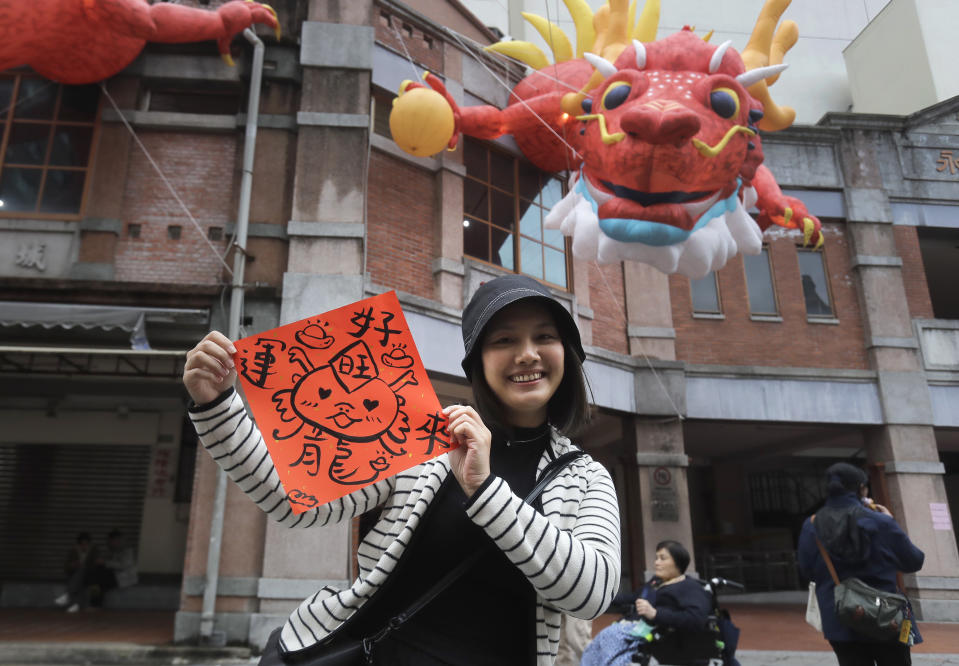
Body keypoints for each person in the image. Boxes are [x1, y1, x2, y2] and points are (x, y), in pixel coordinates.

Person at [182, 274, 621, 665]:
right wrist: (218, 406)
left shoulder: (584, 476)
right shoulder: (422, 440)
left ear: (567, 352)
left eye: (544, 337)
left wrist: (486, 492)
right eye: (504, 340)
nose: (527, 354)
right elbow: (294, 501)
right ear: (478, 363)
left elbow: (591, 593)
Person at [798, 462, 925, 666]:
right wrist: (891, 523)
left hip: (841, 618)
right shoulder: (880, 522)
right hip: (887, 616)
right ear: (861, 489)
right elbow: (913, 561)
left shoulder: (811, 525)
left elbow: (806, 571)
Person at [582, 540, 712, 666]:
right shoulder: (656, 582)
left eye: (663, 558)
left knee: (611, 642)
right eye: (656, 558)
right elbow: (633, 597)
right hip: (636, 630)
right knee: (602, 641)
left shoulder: (690, 587)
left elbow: (696, 618)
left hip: (661, 638)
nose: (656, 563)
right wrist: (603, 597)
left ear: (678, 562)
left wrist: (655, 614)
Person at [56, 532, 100, 612]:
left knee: (83, 572)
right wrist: (73, 565)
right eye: (82, 544)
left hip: (90, 576)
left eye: (86, 544)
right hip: (77, 576)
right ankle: (77, 605)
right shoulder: (74, 551)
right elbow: (67, 567)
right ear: (79, 544)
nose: (84, 546)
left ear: (89, 544)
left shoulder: (94, 551)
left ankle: (68, 596)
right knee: (80, 578)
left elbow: (95, 565)